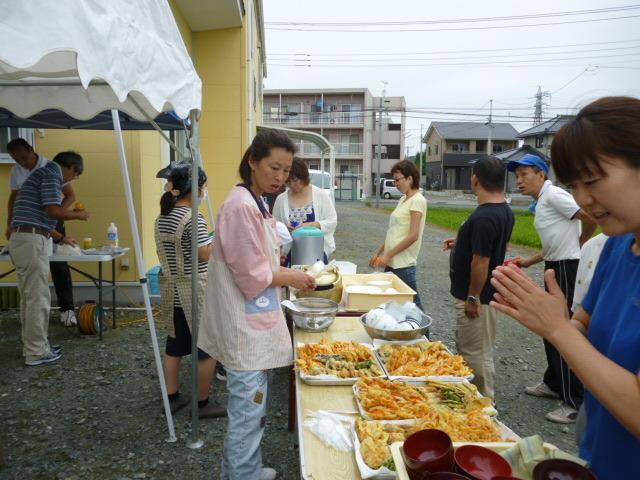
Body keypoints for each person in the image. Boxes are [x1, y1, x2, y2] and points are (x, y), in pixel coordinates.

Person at [489, 96, 640, 480]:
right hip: (601, 459)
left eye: (592, 181)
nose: (584, 199)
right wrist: (548, 320)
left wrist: (557, 329)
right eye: (574, 185)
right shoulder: (617, 246)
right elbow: (583, 329)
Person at [198, 129, 316, 480]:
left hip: (254, 318)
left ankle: (245, 469)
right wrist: (292, 277)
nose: (279, 176)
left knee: (253, 407)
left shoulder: (257, 200)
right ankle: (242, 475)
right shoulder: (240, 205)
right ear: (252, 161)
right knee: (248, 411)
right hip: (243, 324)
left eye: (286, 169)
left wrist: (286, 271)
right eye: (273, 167)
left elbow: (260, 260)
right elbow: (251, 274)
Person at [507, 153, 596, 424]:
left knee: (564, 331)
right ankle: (554, 383)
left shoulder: (554, 195)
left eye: (525, 174)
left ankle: (574, 402)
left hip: (567, 268)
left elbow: (590, 216)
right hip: (555, 266)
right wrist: (529, 260)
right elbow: (554, 241)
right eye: (517, 176)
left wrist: (579, 245)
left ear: (541, 175)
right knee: (549, 329)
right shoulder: (543, 199)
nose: (519, 180)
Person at [154, 161, 226, 419]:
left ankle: (172, 397)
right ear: (193, 189)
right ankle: (202, 403)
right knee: (207, 348)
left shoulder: (163, 216)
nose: (204, 191)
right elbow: (204, 254)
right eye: (203, 186)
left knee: (175, 345)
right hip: (195, 289)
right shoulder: (193, 216)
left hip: (171, 289)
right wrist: (220, 241)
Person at [443, 156, 515, 400]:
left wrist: (472, 297)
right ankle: (478, 400)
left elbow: (482, 260)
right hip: (484, 294)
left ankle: (482, 405)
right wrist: (462, 243)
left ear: (475, 179)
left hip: (478, 298)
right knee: (478, 349)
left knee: (475, 353)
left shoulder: (485, 216)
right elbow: (494, 248)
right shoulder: (504, 209)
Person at [9, 151, 89, 365]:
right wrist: (77, 215)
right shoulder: (52, 175)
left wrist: (61, 238)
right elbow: (52, 210)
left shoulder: (40, 174)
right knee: (38, 298)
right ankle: (37, 352)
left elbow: (39, 216)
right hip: (32, 240)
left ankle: (35, 346)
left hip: (23, 237)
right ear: (70, 166)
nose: (71, 180)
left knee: (29, 298)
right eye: (74, 175)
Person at [6, 138, 78, 327]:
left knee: (58, 266)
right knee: (36, 293)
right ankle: (36, 349)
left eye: (24, 157)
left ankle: (67, 309)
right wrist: (9, 223)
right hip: (31, 228)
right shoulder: (21, 171)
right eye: (16, 160)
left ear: (31, 149)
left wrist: (57, 215)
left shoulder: (50, 166)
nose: (22, 162)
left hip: (43, 222)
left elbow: (69, 195)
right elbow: (13, 200)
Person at [368, 160, 427, 311]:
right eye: (394, 180)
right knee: (391, 304)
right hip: (391, 261)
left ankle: (424, 335)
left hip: (403, 264)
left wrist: (388, 255)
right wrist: (378, 253)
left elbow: (414, 235)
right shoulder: (403, 199)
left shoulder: (417, 200)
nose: (395, 183)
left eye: (397, 179)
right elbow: (393, 231)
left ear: (410, 179)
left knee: (414, 306)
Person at [272, 157, 337, 266]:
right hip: (289, 254)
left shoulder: (320, 195)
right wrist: (284, 228)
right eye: (288, 182)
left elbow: (332, 221)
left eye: (295, 180)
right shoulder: (281, 199)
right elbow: (273, 226)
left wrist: (309, 225)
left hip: (316, 252)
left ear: (304, 177)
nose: (292, 185)